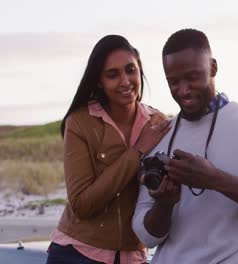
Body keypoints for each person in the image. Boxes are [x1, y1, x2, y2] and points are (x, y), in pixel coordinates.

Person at [132, 29, 238, 263]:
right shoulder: (161, 136)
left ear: (212, 67)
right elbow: (146, 235)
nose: (183, 90)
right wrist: (164, 204)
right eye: (173, 82)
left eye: (192, 77)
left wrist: (214, 179)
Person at [46, 35, 171, 264]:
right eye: (113, 74)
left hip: (134, 257)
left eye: (130, 70)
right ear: (98, 81)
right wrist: (138, 151)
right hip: (77, 254)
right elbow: (82, 204)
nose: (125, 81)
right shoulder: (80, 122)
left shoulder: (158, 122)